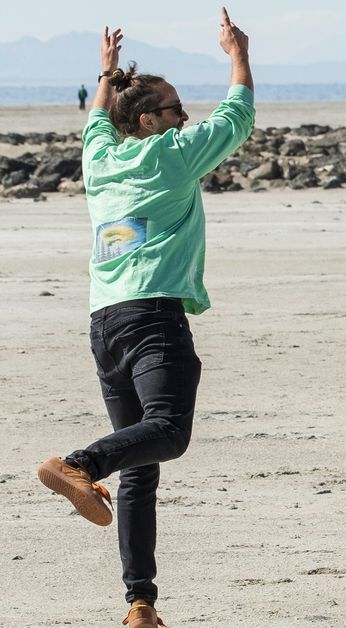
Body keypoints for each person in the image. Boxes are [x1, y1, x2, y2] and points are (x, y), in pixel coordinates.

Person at [35, 9, 253, 628]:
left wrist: (105, 73)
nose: (186, 115)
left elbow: (95, 121)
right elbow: (239, 115)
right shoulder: (171, 154)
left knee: (143, 469)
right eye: (176, 107)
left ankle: (141, 604)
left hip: (103, 322)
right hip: (153, 317)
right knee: (170, 432)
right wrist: (239, 53)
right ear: (150, 121)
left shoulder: (99, 159)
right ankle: (77, 464)